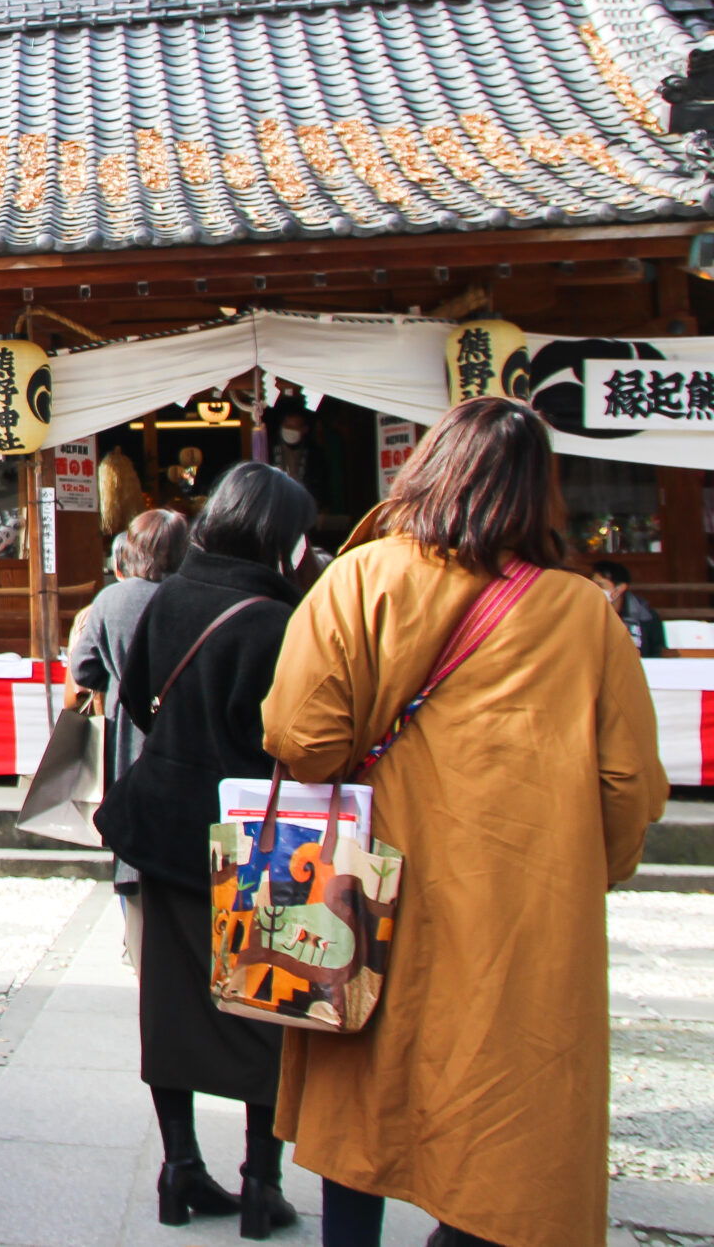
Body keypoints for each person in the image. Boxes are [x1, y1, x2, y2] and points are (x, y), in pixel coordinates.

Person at [265, 398, 668, 1247]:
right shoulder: (584, 612)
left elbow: (303, 738)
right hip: (527, 915)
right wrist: (586, 868)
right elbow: (628, 783)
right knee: (504, 1120)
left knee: (365, 1099)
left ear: (430, 470)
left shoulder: (362, 578)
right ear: (538, 492)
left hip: (374, 897)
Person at [93, 463, 315, 1238]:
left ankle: (179, 1165)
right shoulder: (279, 619)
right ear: (279, 535)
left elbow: (138, 697)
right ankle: (261, 1183)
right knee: (267, 1007)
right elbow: (294, 733)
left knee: (171, 1005)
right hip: (254, 839)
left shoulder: (169, 597)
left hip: (162, 825)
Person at [70, 507, 190, 962]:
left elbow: (84, 671)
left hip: (130, 737)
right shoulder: (191, 596)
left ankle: (136, 944)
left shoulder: (111, 601)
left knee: (133, 841)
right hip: (186, 739)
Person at [593, 558, 668, 657]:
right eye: (592, 584)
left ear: (619, 588)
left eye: (600, 585)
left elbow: (657, 653)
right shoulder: (586, 613)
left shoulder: (646, 616)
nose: (594, 589)